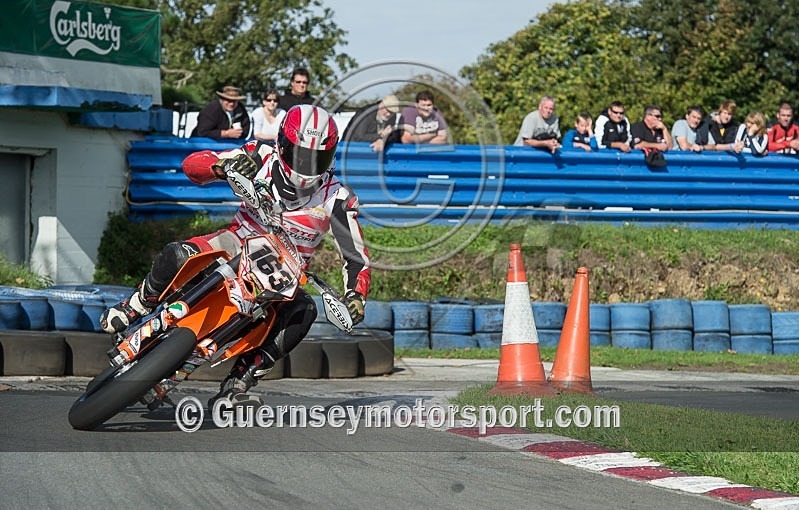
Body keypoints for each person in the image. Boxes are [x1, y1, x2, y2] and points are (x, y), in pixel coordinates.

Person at [100, 105, 371, 406]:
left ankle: (238, 383)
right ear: (282, 144)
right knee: (181, 253)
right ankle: (136, 305)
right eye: (299, 154)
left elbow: (356, 257)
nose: (306, 165)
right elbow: (193, 164)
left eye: (315, 157)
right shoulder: (260, 156)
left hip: (284, 276)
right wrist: (222, 168)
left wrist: (355, 295)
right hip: (236, 240)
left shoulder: (338, 199)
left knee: (304, 311)